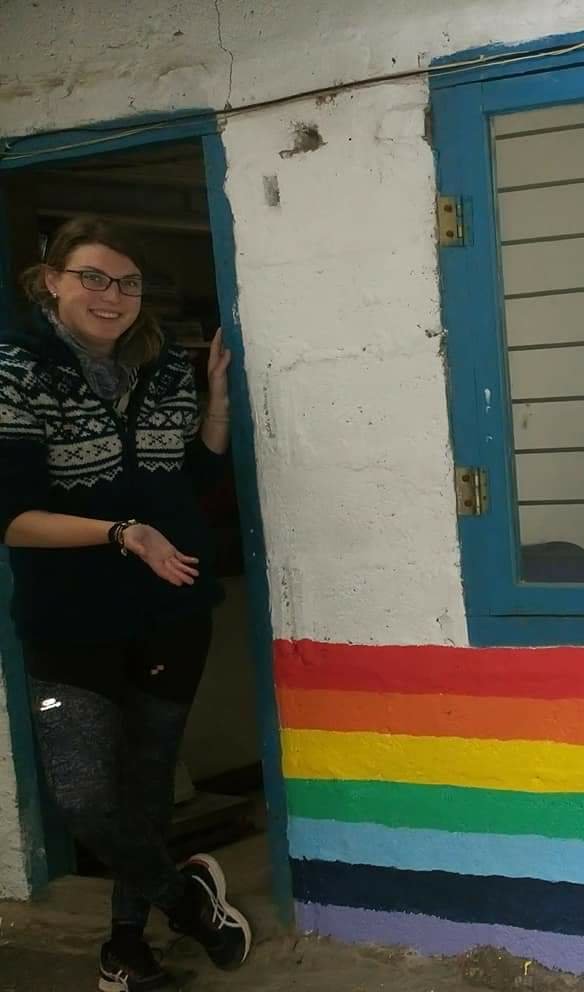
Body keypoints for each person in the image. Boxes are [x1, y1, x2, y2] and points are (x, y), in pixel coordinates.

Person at [0, 217, 253, 990]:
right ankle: (189, 903)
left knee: (146, 791)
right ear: (52, 281)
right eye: (93, 277)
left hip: (171, 611)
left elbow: (193, 484)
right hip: (71, 623)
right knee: (83, 798)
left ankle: (127, 947)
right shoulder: (17, 370)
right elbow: (11, 518)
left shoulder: (165, 366)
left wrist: (214, 408)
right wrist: (120, 533)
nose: (112, 295)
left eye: (129, 282)